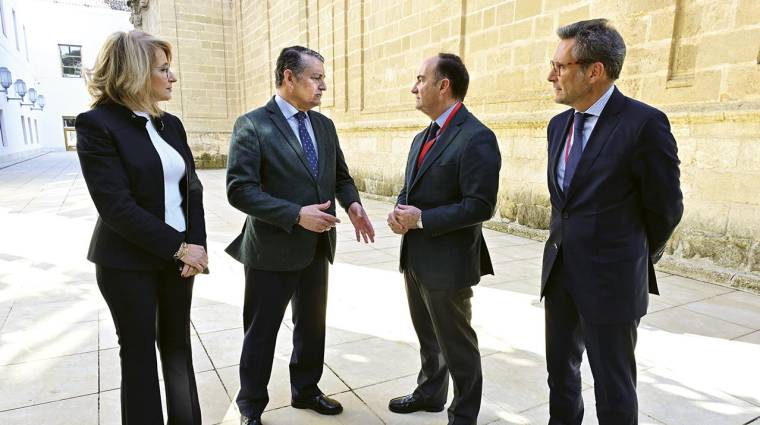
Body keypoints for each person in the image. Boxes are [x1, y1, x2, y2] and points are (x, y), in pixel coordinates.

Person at [541, 19, 683, 425]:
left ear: (594, 71)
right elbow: (565, 203)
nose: (551, 75)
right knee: (560, 376)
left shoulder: (643, 124)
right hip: (561, 274)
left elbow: (666, 208)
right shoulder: (558, 125)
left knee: (613, 385)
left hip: (612, 281)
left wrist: (633, 257)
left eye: (560, 66)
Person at [225, 45, 375, 425]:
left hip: (317, 247)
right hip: (270, 250)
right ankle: (251, 407)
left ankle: (306, 390)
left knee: (312, 326)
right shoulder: (252, 124)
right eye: (317, 78)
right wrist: (295, 215)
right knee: (261, 333)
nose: (324, 86)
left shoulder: (324, 126)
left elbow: (340, 175)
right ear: (289, 78)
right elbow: (239, 189)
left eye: (324, 78)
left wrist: (353, 204)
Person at [76, 31, 209, 425]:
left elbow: (193, 190)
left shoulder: (172, 124)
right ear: (135, 73)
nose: (172, 77)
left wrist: (196, 245)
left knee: (178, 348)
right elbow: (116, 206)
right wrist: (179, 247)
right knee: (138, 353)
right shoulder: (96, 124)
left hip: (180, 258)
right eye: (163, 69)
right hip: (126, 263)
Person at [386, 53, 501, 425]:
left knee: (457, 345)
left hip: (449, 262)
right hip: (415, 256)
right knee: (427, 337)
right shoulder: (422, 135)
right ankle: (430, 393)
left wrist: (422, 220)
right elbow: (411, 188)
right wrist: (400, 212)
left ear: (443, 85)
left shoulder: (477, 137)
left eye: (420, 79)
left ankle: (463, 415)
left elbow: (480, 205)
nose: (414, 87)